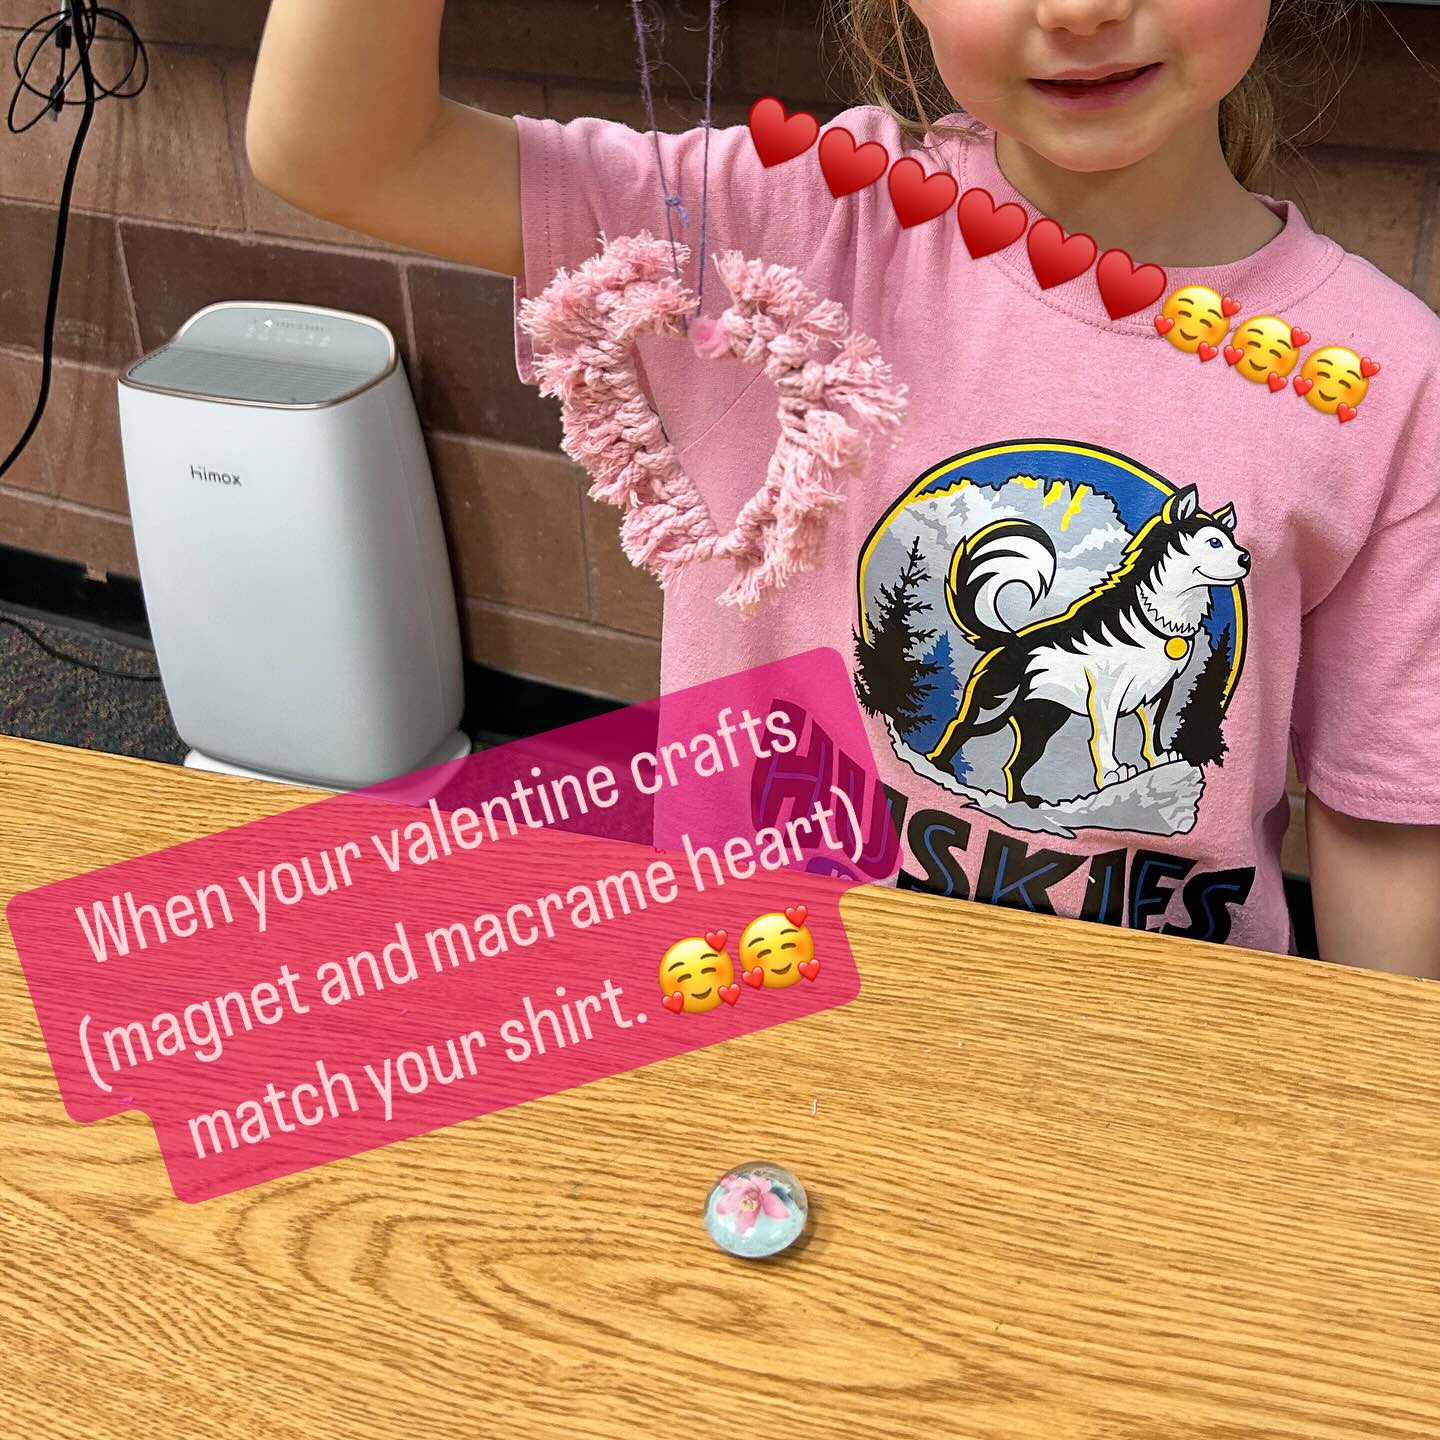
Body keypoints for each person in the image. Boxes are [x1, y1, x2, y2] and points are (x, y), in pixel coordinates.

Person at [245, 0, 1440, 975]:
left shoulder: (1385, 379)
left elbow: (1386, 822)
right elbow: (341, 149)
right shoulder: (781, 222)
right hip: (763, 995)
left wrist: (1376, 1145)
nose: (1078, 9)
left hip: (1158, 1066)